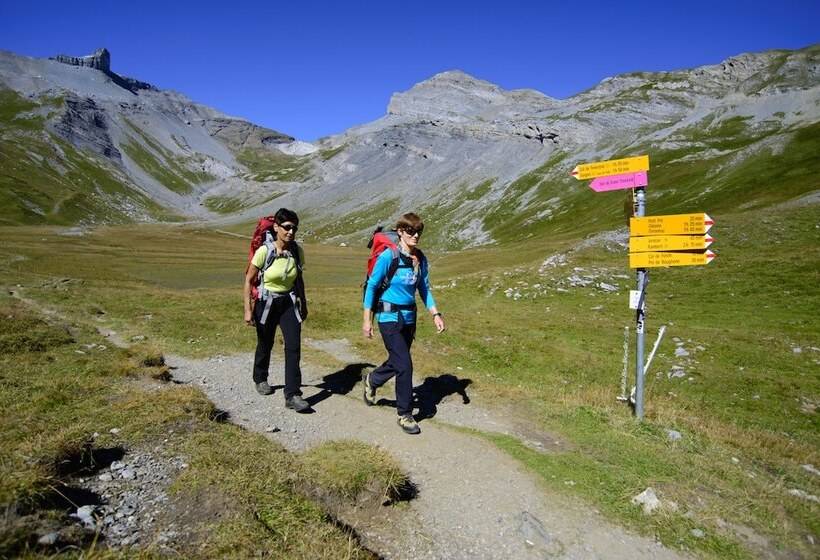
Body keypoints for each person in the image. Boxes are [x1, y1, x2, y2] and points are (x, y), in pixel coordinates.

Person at [362, 213, 446, 434]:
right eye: (410, 231)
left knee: (398, 361)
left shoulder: (420, 259)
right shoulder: (389, 257)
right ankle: (405, 414)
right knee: (405, 365)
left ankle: (372, 379)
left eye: (418, 231)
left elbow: (424, 289)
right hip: (388, 318)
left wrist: (435, 314)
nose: (415, 235)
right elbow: (372, 287)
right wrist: (367, 321)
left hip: (409, 318)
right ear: (400, 231)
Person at [243, 208, 310, 412]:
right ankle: (260, 378)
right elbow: (248, 280)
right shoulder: (265, 251)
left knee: (293, 347)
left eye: (294, 228)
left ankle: (292, 394)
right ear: (276, 228)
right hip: (266, 302)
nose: (291, 232)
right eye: (287, 227)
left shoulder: (297, 251)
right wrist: (248, 309)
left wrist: (303, 302)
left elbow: (299, 278)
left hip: (288, 303)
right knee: (265, 342)